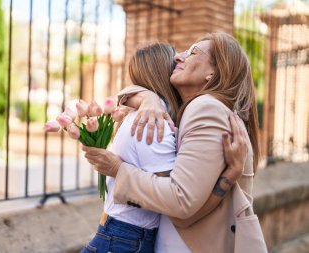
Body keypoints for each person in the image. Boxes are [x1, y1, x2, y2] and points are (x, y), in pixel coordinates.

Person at [83, 32, 260, 252]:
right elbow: (126, 92)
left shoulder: (206, 108)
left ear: (214, 72)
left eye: (193, 52)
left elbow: (181, 202)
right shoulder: (185, 109)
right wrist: (149, 98)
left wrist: (118, 170)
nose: (178, 56)